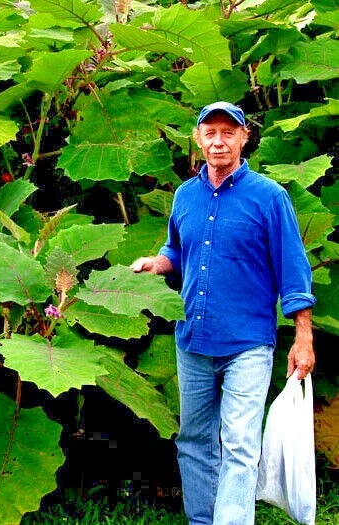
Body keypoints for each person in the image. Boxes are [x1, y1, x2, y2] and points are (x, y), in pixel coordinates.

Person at [130, 101, 316, 525]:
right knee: (194, 440)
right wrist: (156, 263)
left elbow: (293, 270)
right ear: (198, 139)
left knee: (239, 444)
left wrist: (303, 337)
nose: (218, 141)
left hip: (248, 342)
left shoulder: (270, 197)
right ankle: (202, 520)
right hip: (192, 339)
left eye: (228, 132)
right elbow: (176, 249)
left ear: (244, 137)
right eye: (210, 132)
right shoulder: (185, 196)